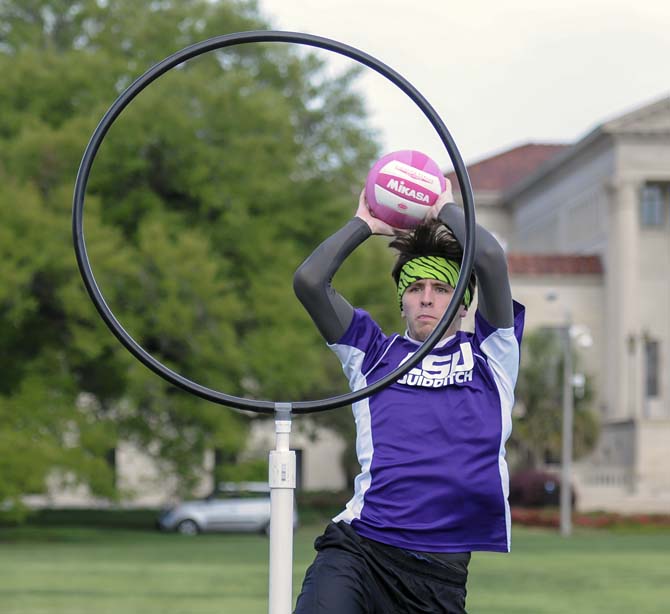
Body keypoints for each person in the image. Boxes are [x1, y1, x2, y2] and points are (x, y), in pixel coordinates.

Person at [292, 178, 525, 614]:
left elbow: (490, 259)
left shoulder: (492, 354)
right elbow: (310, 282)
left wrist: (444, 207)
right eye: (415, 289)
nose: (426, 299)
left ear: (463, 301)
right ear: (401, 301)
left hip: (439, 573)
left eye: (440, 289)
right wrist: (362, 223)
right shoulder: (372, 353)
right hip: (362, 548)